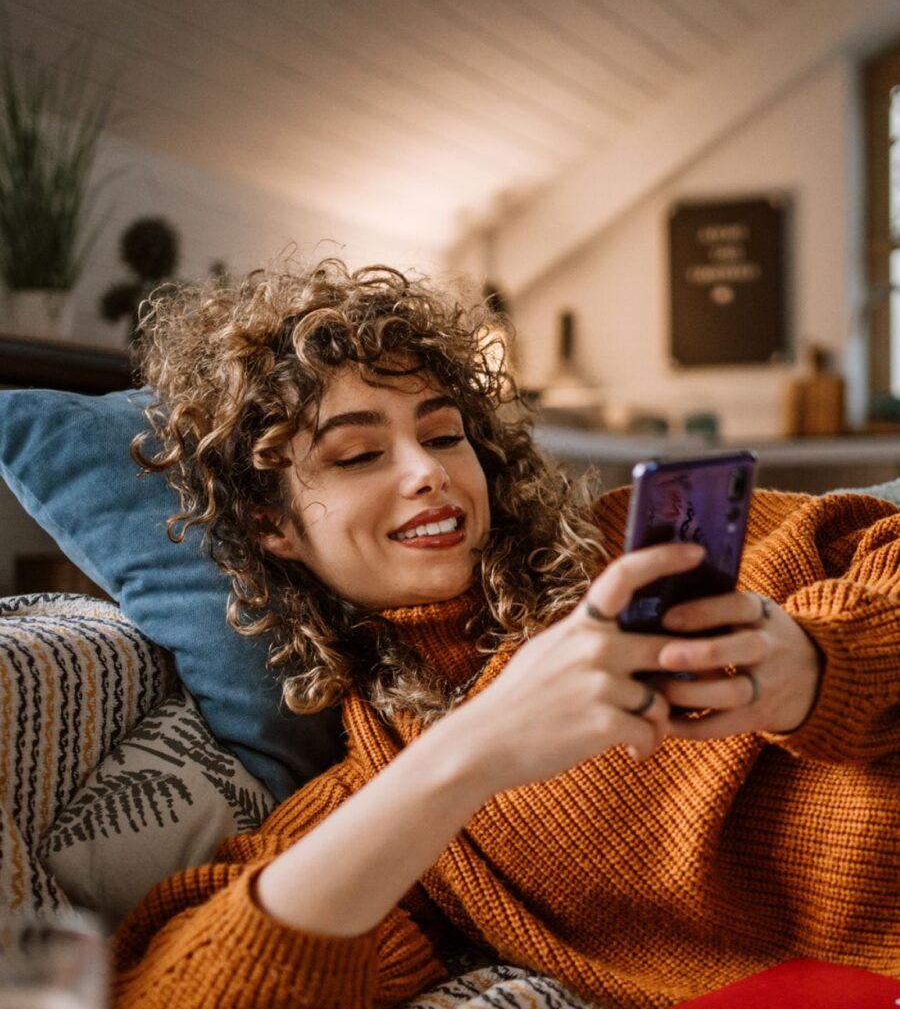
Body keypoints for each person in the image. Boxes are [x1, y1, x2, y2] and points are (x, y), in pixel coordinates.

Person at [114, 257, 900, 1009]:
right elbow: (180, 988)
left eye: (445, 434)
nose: (427, 471)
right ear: (272, 523)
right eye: (357, 454)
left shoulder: (636, 539)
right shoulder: (387, 792)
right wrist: (468, 755)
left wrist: (824, 665)